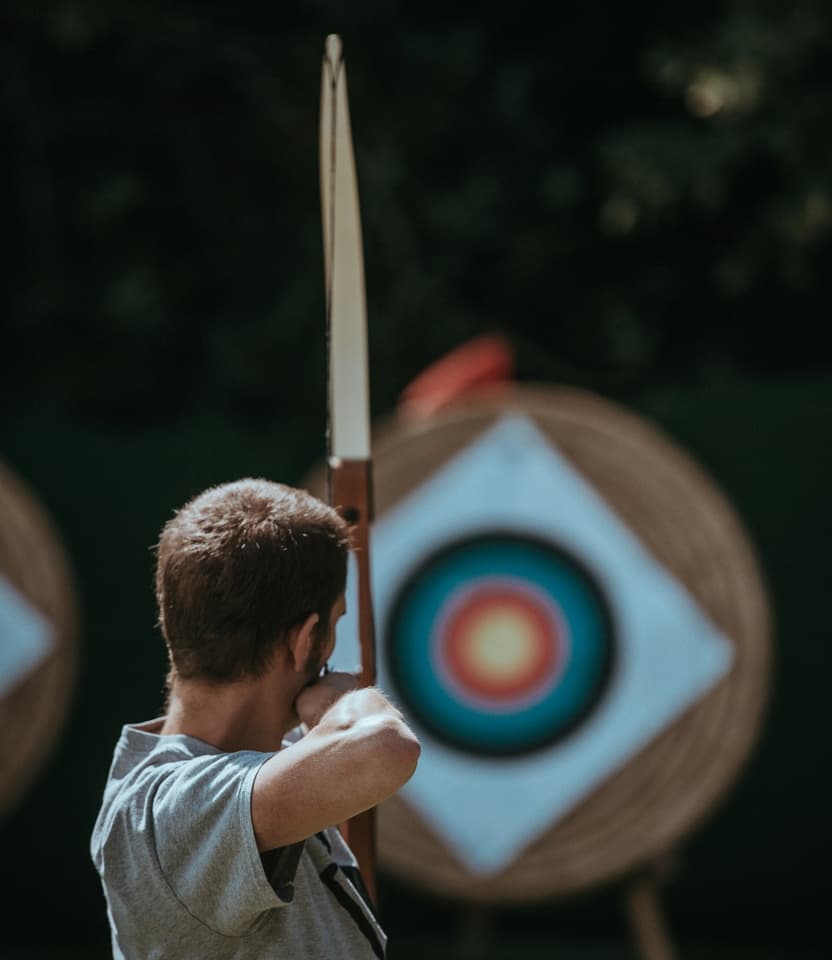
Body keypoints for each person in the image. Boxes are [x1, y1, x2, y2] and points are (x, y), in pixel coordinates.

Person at [91, 478, 420, 959]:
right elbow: (385, 747)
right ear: (306, 639)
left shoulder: (261, 775)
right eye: (335, 623)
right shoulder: (169, 810)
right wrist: (341, 705)